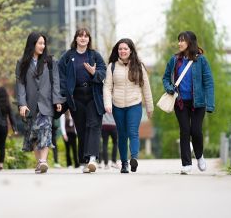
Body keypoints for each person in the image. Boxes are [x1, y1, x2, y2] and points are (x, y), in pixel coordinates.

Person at [162, 31, 214, 174]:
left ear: (190, 42)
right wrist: (169, 88)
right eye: (178, 40)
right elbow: (166, 78)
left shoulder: (201, 60)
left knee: (196, 131)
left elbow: (208, 82)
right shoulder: (174, 60)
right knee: (185, 131)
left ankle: (199, 155)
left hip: (198, 103)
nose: (179, 43)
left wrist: (210, 104)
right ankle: (186, 164)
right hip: (180, 102)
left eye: (182, 41)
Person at [58, 28, 106, 173]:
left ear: (89, 39)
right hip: (76, 97)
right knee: (82, 128)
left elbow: (103, 72)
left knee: (94, 124)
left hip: (93, 94)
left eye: (86, 36)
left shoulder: (94, 55)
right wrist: (62, 96)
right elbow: (61, 76)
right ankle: (86, 162)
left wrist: (94, 73)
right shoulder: (68, 56)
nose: (83, 38)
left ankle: (92, 158)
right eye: (80, 36)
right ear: (76, 39)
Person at [103, 38, 154, 173]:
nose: (123, 51)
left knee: (133, 132)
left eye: (125, 48)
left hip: (134, 104)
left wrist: (149, 107)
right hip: (117, 105)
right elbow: (107, 87)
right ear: (117, 51)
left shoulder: (138, 66)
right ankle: (124, 163)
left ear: (131, 50)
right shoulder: (112, 67)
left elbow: (146, 88)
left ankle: (134, 158)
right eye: (120, 49)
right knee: (122, 134)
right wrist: (107, 103)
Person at [15, 32, 63, 174]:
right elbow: (20, 85)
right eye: (40, 43)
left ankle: (43, 161)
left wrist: (57, 100)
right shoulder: (22, 62)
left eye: (44, 43)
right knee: (33, 134)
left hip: (46, 103)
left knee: (46, 131)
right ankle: (39, 162)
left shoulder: (50, 61)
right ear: (32, 44)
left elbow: (56, 82)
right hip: (30, 104)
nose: (43, 46)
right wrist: (22, 103)